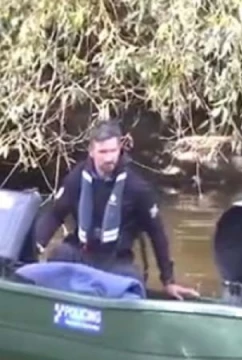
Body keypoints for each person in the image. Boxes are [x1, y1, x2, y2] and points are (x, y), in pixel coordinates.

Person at [34, 120, 199, 300]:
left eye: (113, 151)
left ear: (120, 148)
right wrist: (35, 247)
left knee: (133, 286)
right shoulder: (76, 179)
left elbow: (157, 233)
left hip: (115, 261)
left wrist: (168, 280)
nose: (108, 158)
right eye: (102, 152)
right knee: (55, 259)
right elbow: (55, 215)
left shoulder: (137, 187)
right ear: (91, 152)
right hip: (80, 253)